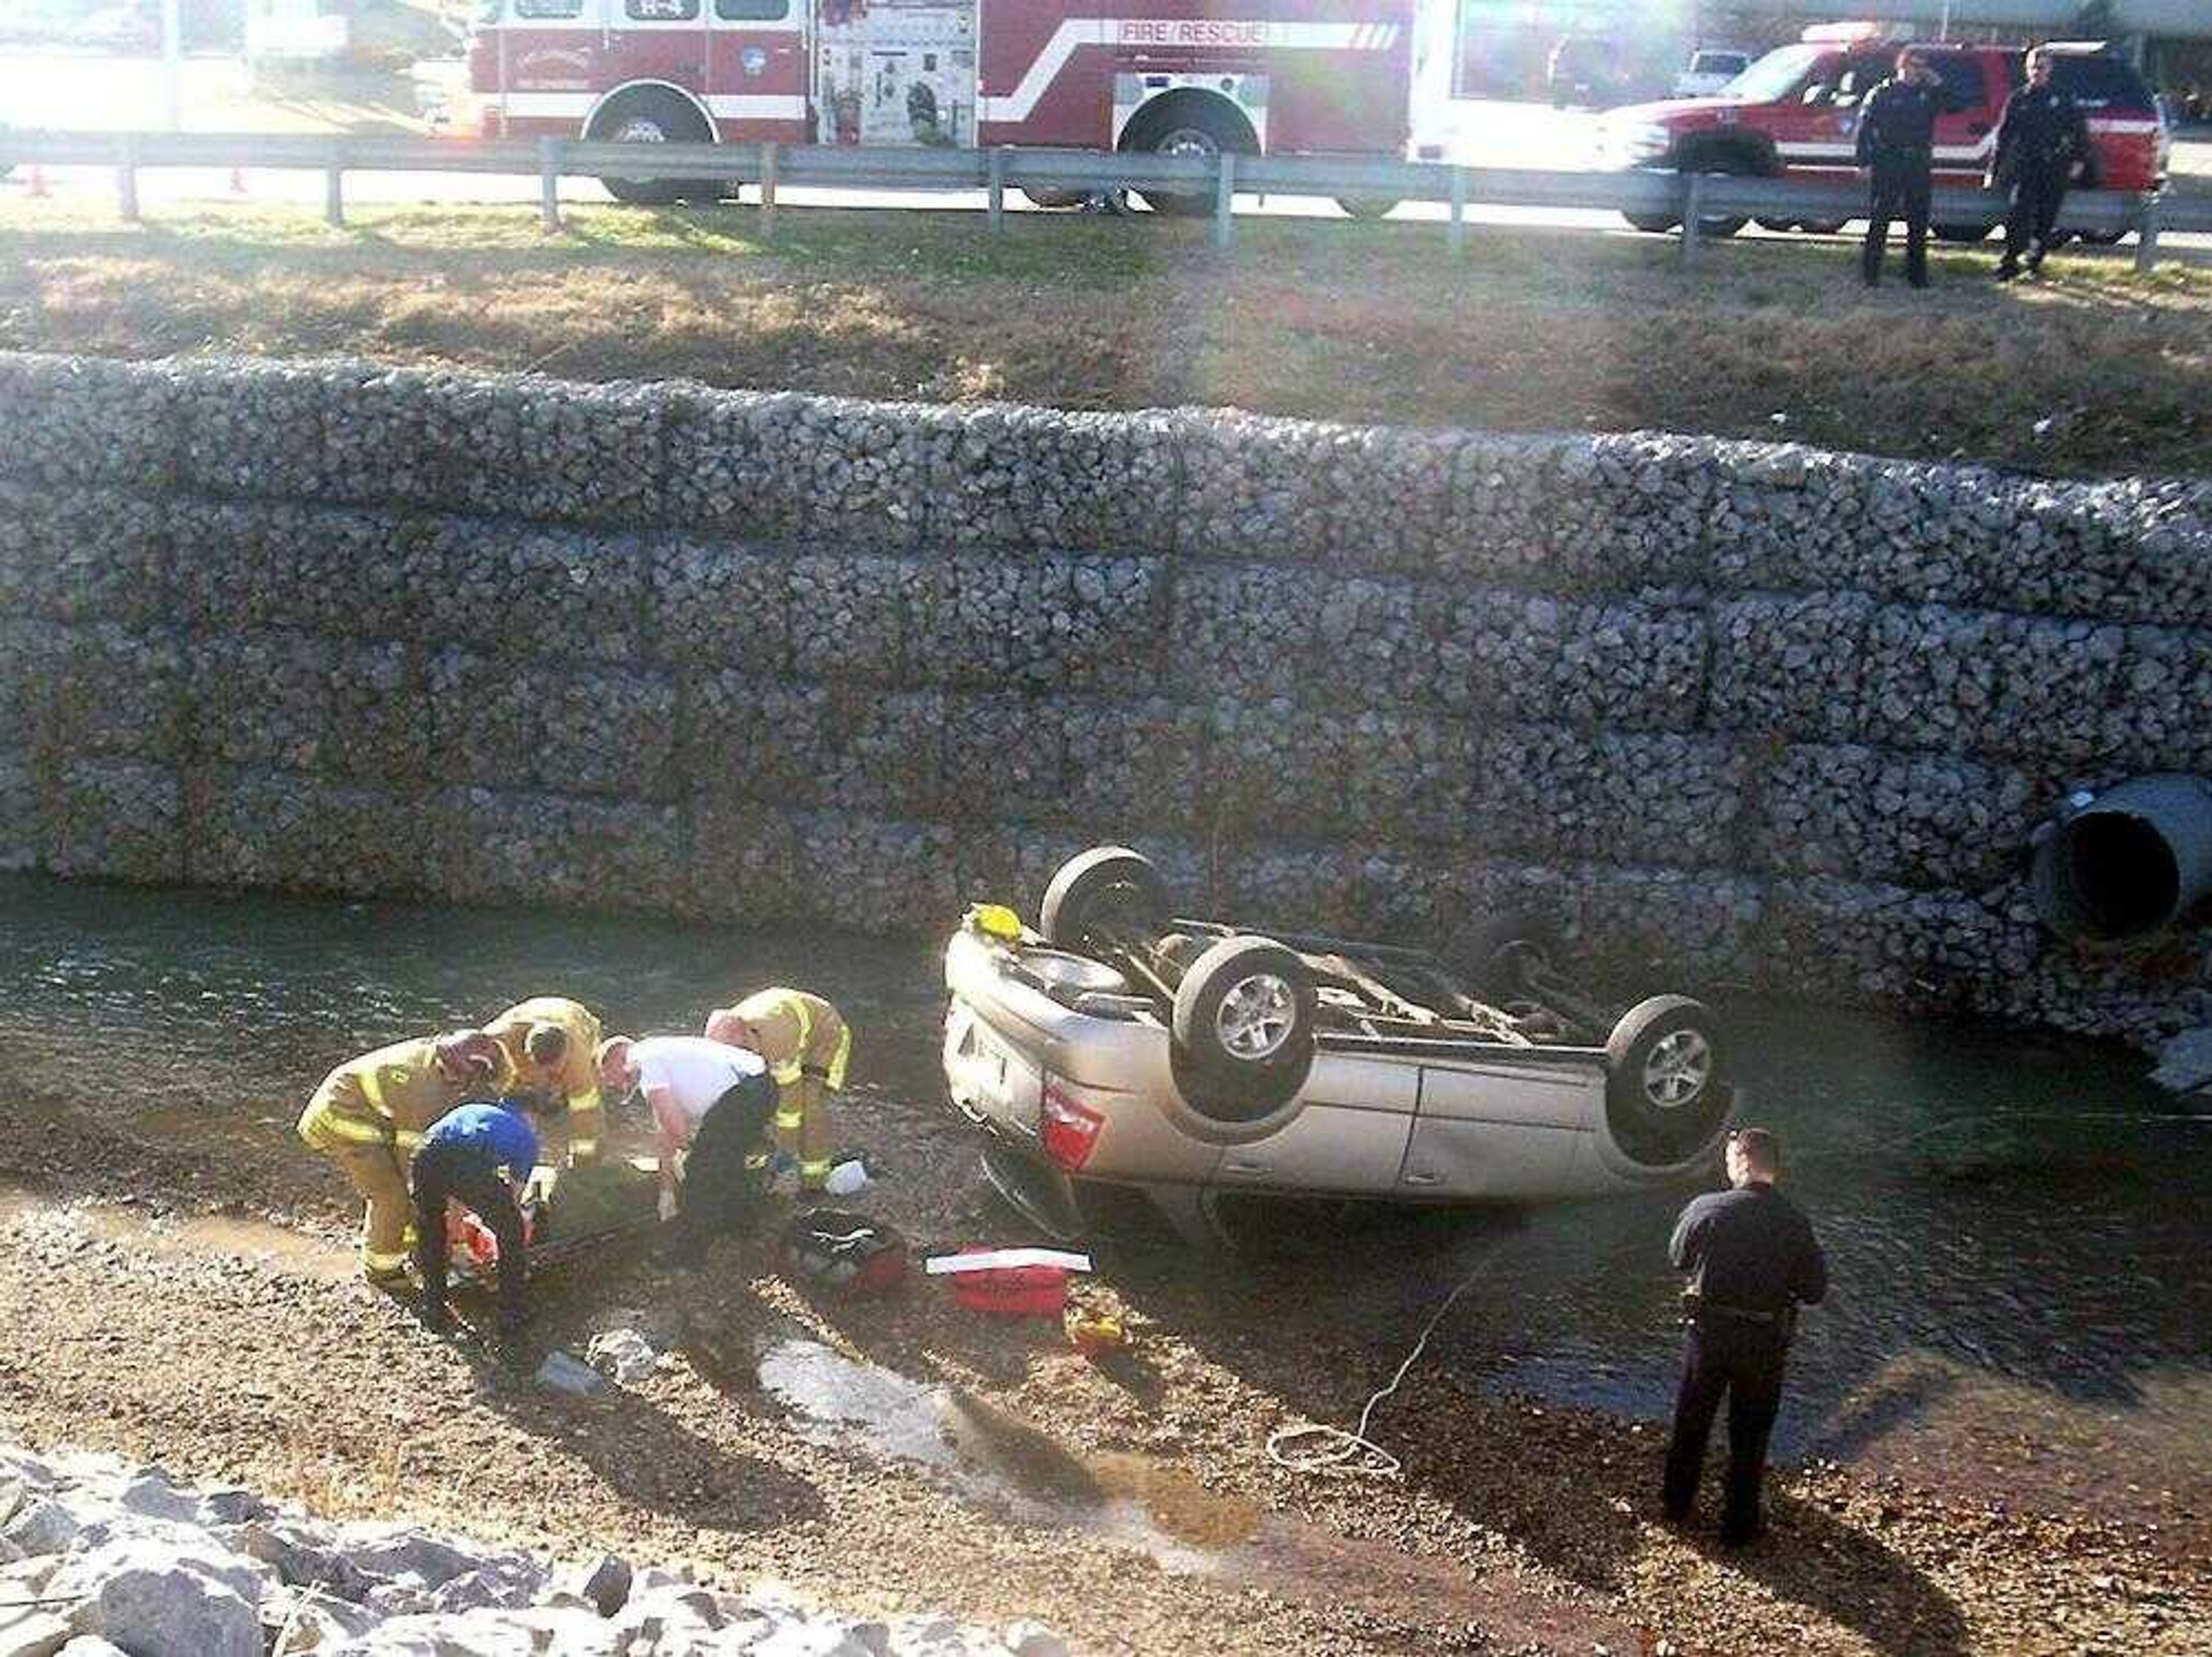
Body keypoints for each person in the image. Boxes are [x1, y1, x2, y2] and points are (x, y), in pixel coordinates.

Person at [1661, 1126, 1828, 1545]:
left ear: (1741, 1161)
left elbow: (1679, 1258)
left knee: (1692, 1423)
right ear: (1775, 1168)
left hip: (1710, 1335)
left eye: (1730, 1159)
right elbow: (1814, 1290)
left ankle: (1676, 1506)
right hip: (1764, 1340)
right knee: (1750, 1433)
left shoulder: (1707, 1208)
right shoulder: (1795, 1222)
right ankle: (1738, 1525)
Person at [296, 1031, 506, 1285]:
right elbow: (414, 1163)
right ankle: (382, 1272)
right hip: (342, 1117)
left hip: (368, 1113)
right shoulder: (423, 1091)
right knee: (391, 1195)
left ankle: (409, 1250)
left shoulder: (439, 1058)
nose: (463, 1085)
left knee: (410, 1197)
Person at [596, 1034, 776, 1268]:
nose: (615, 1087)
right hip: (761, 1087)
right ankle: (743, 1226)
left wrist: (688, 1153)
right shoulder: (657, 1051)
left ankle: (688, 1253)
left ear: (618, 1059)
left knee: (700, 1170)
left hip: (745, 1094)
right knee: (726, 1160)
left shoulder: (642, 1062)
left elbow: (678, 1130)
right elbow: (665, 1133)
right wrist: (666, 1190)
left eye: (612, 1078)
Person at [410, 1092, 556, 1361]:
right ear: (529, 1116)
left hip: (425, 1151)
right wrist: (491, 1220)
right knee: (511, 1232)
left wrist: (459, 1234)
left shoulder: (479, 1111)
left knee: (431, 1227)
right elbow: (513, 1200)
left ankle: (434, 1309)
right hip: (464, 1160)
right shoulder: (525, 1136)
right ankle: (512, 1316)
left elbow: (453, 1192)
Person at [703, 988, 851, 1194]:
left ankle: (815, 1182)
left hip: (824, 1035)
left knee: (810, 1104)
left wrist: (786, 1147)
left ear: (744, 1036)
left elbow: (790, 1097)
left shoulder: (776, 1039)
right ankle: (760, 1155)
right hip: (788, 1027)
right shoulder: (724, 1037)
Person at [1855, 47, 1959, 289]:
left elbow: (1955, 107)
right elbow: (1865, 129)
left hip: (1918, 162)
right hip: (1888, 161)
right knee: (1880, 219)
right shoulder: (1883, 92)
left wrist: (1939, 83)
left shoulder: (1929, 93)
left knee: (1919, 221)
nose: (1918, 70)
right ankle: (1870, 274)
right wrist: (1863, 162)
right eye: (1914, 65)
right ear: (1901, 65)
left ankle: (1917, 276)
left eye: (1923, 66)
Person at [1991, 48, 2093, 282]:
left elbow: (2079, 131)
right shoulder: (2019, 98)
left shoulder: (2063, 97)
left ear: (2050, 69)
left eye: (2042, 67)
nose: (2037, 72)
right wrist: (1996, 168)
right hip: (2027, 164)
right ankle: (2010, 261)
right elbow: (2004, 136)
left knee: (2046, 216)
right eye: (2033, 67)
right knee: (2018, 213)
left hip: (2055, 164)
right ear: (2027, 70)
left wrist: (2079, 160)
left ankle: (2034, 262)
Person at [480, 996, 605, 1163]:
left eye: (554, 1074)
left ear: (567, 1055)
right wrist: (516, 1094)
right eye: (542, 1069)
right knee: (516, 1099)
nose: (548, 1077)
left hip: (578, 1019)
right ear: (527, 1051)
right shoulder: (495, 1040)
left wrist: (583, 1157)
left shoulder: (578, 1061)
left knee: (585, 1103)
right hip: (532, 1012)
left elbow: (587, 1114)